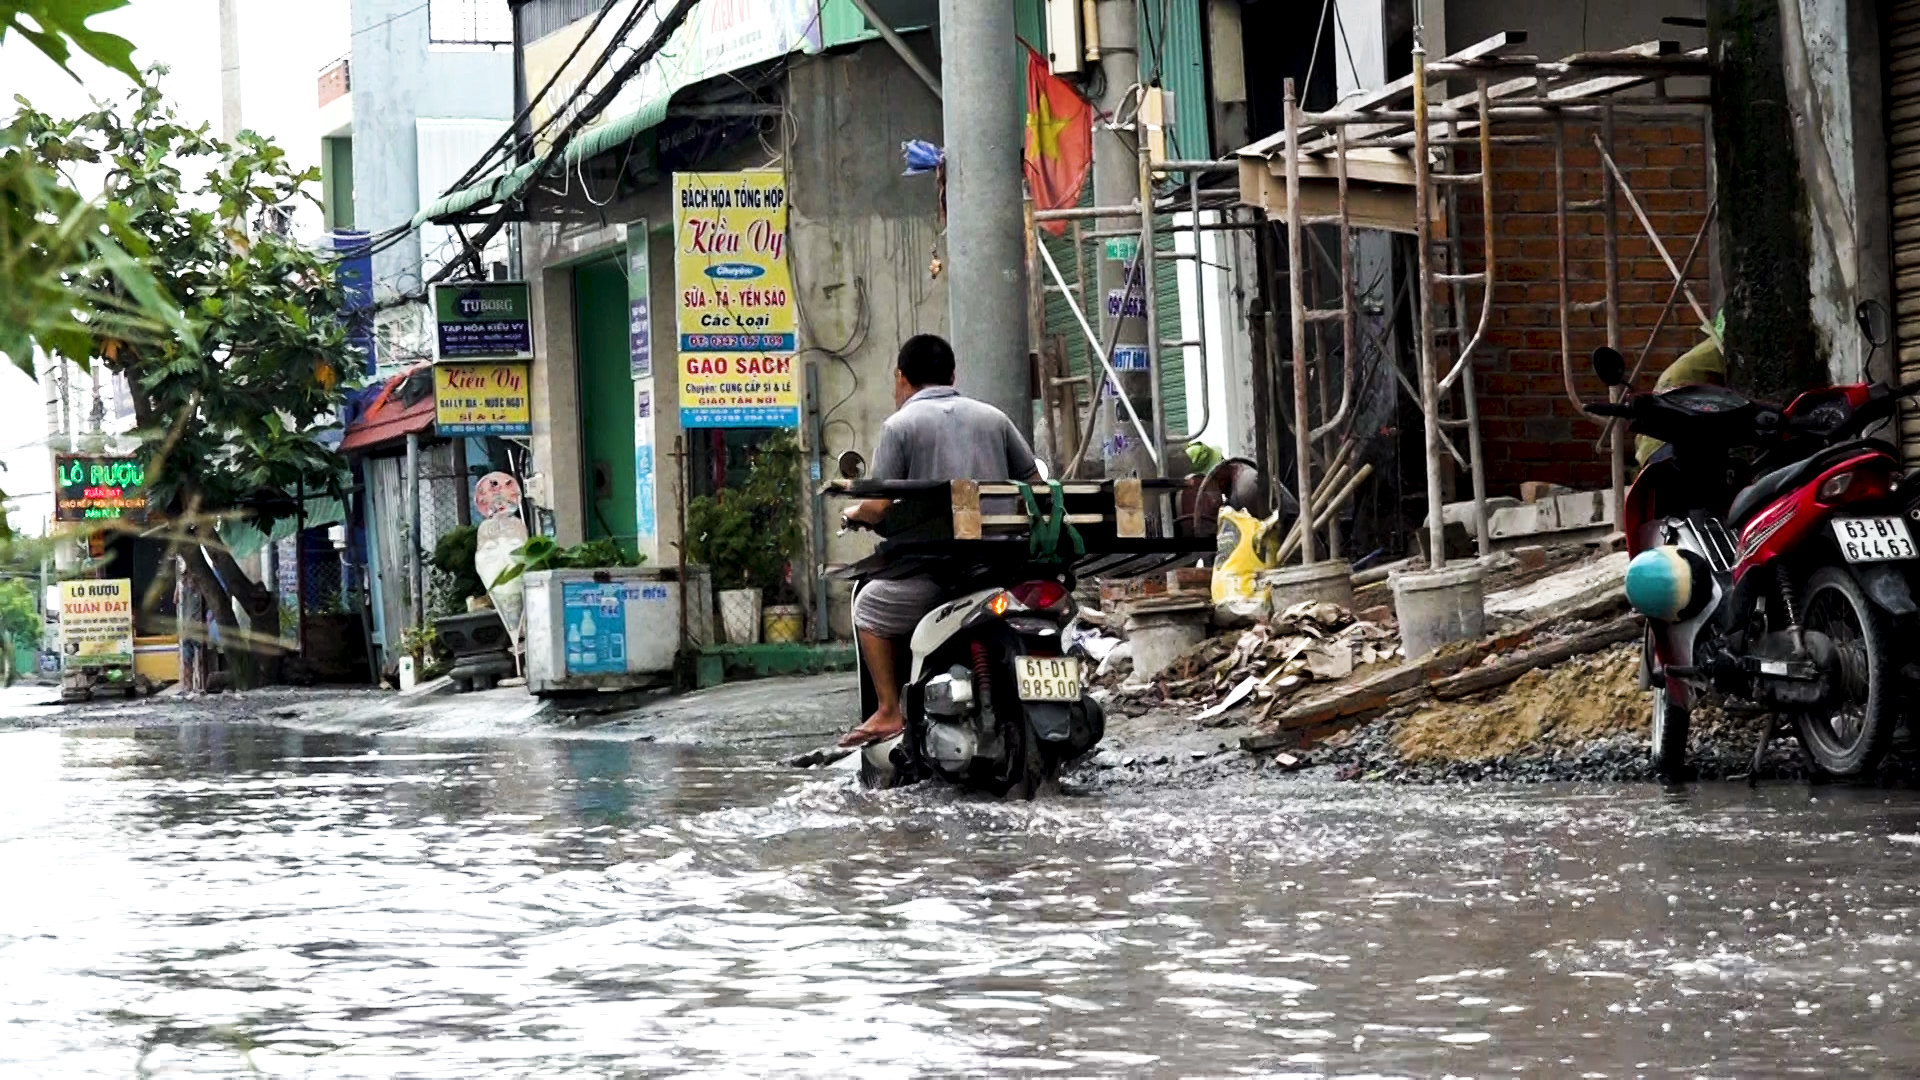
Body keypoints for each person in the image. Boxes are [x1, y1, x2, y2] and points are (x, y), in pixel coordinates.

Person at [837, 334, 1042, 747]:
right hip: (1005, 566)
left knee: (868, 606)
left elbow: (877, 508)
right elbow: (1036, 486)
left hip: (939, 573)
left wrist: (854, 512)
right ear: (952, 375)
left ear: (901, 377)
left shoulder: (900, 426)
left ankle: (889, 712)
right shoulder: (994, 418)